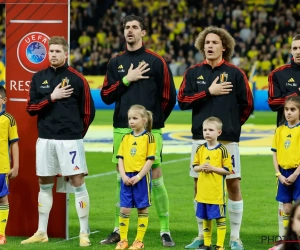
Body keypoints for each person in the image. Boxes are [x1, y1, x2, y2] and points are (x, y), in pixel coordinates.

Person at [100, 15, 176, 247]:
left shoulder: (156, 61)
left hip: (151, 132)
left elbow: (168, 97)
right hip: (122, 130)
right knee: (121, 180)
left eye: (135, 27)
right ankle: (118, 230)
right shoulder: (115, 63)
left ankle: (164, 229)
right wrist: (126, 79)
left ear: (143, 32)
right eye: (126, 27)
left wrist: (151, 125)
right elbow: (105, 95)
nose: (130, 31)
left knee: (155, 177)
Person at [177, 26, 253, 250]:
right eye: (206, 43)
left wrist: (231, 125)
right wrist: (208, 92)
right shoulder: (192, 73)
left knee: (233, 184)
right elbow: (182, 101)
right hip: (199, 140)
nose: (209, 46)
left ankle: (235, 238)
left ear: (224, 46)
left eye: (214, 42)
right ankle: (202, 235)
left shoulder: (235, 73)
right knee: (199, 186)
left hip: (228, 141)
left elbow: (247, 104)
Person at [22, 36, 95, 247]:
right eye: (50, 51)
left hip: (70, 141)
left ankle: (84, 233)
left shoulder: (78, 79)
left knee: (78, 183)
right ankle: (42, 231)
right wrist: (51, 97)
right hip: (45, 140)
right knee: (44, 184)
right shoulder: (39, 78)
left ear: (66, 54)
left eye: (57, 51)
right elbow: (31, 108)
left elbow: (89, 111)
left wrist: (76, 135)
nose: (53, 54)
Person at [268, 34, 300, 238]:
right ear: (291, 50)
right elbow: (272, 102)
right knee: (286, 199)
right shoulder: (279, 74)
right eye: (295, 48)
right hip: (288, 142)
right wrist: (295, 97)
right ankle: (285, 238)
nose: (299, 52)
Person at [115, 104, 155, 250]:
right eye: (130, 119)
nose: (131, 121)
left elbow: (150, 160)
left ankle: (139, 241)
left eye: (135, 118)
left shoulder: (149, 137)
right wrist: (123, 175)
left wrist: (138, 177)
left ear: (144, 120)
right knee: (124, 209)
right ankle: (123, 240)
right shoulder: (125, 138)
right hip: (126, 177)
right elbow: (120, 158)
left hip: (141, 178)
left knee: (142, 208)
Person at [193, 117, 232, 250]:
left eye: (210, 130)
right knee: (206, 218)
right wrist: (201, 167)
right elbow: (195, 166)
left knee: (220, 218)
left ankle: (220, 246)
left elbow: (228, 170)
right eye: (205, 130)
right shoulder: (200, 149)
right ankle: (207, 244)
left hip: (216, 193)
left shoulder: (222, 150)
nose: (207, 132)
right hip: (203, 192)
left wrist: (213, 169)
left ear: (218, 133)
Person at [271, 96, 300, 239]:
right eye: (286, 109)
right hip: (283, 174)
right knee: (287, 208)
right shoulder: (279, 131)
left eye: (293, 110)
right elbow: (274, 154)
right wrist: (279, 174)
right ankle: (288, 239)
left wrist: (295, 174)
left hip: (298, 173)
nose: (288, 112)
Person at [0, 86, 19, 244]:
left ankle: (1, 234)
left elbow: (14, 144)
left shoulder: (9, 119)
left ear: (4, 100)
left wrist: (16, 165)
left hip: (2, 167)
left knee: (3, 199)